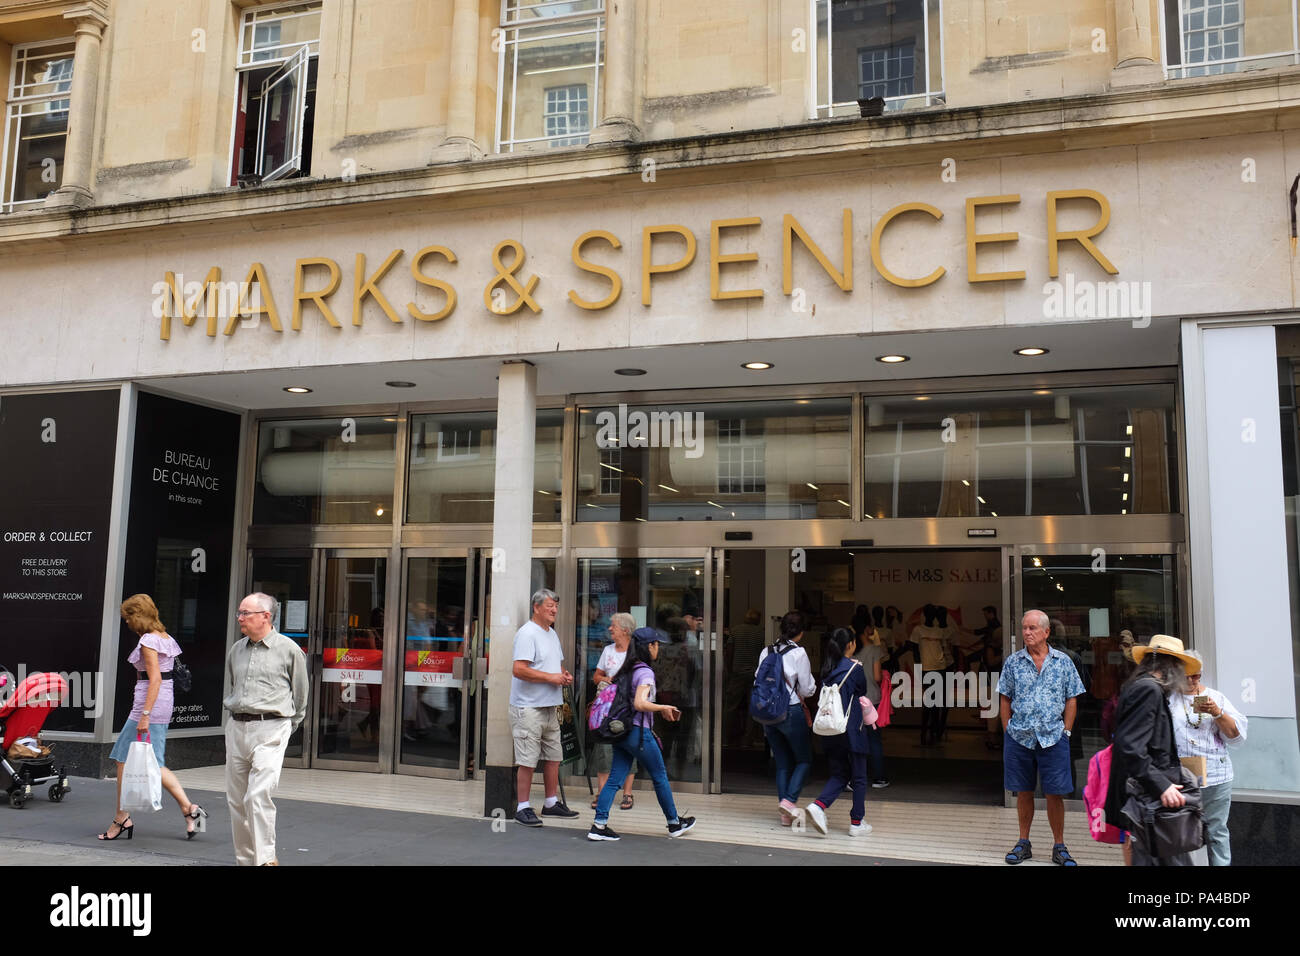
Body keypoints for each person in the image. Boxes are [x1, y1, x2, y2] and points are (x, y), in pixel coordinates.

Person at [98, 594, 206, 842]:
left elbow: (154, 678)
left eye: (128, 618)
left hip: (148, 706)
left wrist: (145, 714)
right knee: (125, 758)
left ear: (138, 616)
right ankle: (184, 811)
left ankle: (126, 818)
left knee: (147, 762)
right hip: (159, 703)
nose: (127, 623)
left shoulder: (148, 640)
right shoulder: (165, 637)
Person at [223, 592, 309, 866]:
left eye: (245, 613)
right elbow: (234, 685)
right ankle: (246, 862)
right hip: (237, 727)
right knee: (237, 801)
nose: (240, 618)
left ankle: (265, 860)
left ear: (265, 616)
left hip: (272, 727)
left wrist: (286, 726)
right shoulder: (236, 649)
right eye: (239, 613)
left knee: (258, 795)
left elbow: (301, 695)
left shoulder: (289, 650)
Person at [588, 627, 696, 841]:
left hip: (622, 732)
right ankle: (674, 823)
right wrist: (663, 707)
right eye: (656, 645)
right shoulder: (645, 672)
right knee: (660, 776)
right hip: (638, 734)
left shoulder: (627, 669)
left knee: (613, 779)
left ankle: (598, 826)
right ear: (649, 647)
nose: (658, 649)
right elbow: (639, 703)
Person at [997, 610, 1086, 866]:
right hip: (1020, 738)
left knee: (1054, 794)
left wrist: (1066, 732)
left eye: (1032, 628)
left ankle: (1059, 846)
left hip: (1053, 738)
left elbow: (1072, 698)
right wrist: (1008, 730)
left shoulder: (1063, 662)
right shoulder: (1013, 662)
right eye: (1024, 628)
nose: (1027, 632)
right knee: (1023, 792)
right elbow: (1005, 697)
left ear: (1046, 632)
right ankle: (1023, 842)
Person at [1105, 634, 1201, 866]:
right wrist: (1162, 785)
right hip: (1147, 798)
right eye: (1180, 667)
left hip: (1147, 797)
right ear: (1170, 666)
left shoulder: (1142, 687)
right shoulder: (1148, 690)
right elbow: (1131, 746)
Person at [1169, 649, 1246, 866]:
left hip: (1215, 777)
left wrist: (1218, 713)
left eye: (1198, 675)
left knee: (1217, 831)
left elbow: (1236, 737)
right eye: (1189, 676)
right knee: (1180, 831)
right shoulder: (1168, 699)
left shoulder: (1216, 698)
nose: (1194, 680)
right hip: (1179, 778)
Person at [509, 588, 579, 827]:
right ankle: (522, 807)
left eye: (556, 606)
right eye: (549, 605)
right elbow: (519, 669)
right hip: (528, 707)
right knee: (527, 760)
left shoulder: (551, 633)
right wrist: (552, 679)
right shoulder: (527, 633)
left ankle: (550, 803)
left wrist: (563, 675)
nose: (554, 610)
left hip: (550, 705)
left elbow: (555, 666)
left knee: (553, 757)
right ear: (536, 607)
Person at [804, 627, 872, 836]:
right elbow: (862, 692)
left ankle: (818, 806)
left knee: (839, 774)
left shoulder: (827, 668)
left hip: (830, 730)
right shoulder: (855, 669)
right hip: (851, 729)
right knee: (859, 777)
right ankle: (856, 823)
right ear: (850, 645)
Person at [756, 610, 816, 826]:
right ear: (800, 632)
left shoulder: (767, 651)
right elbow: (808, 689)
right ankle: (789, 801)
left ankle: (785, 815)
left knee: (782, 763)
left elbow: (758, 679)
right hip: (790, 710)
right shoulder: (799, 653)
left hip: (768, 713)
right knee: (804, 759)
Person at [590, 612, 638, 811]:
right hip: (607, 707)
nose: (610, 629)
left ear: (625, 630)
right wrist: (606, 680)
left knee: (629, 745)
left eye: (614, 626)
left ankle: (627, 793)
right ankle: (601, 792)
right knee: (604, 746)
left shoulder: (636, 652)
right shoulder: (608, 651)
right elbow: (596, 676)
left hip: (628, 706)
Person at [852, 614, 889, 789]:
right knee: (874, 740)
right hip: (871, 699)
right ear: (867, 629)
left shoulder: (851, 649)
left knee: (855, 738)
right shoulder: (875, 650)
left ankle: (854, 779)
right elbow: (876, 676)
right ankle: (879, 778)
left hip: (853, 699)